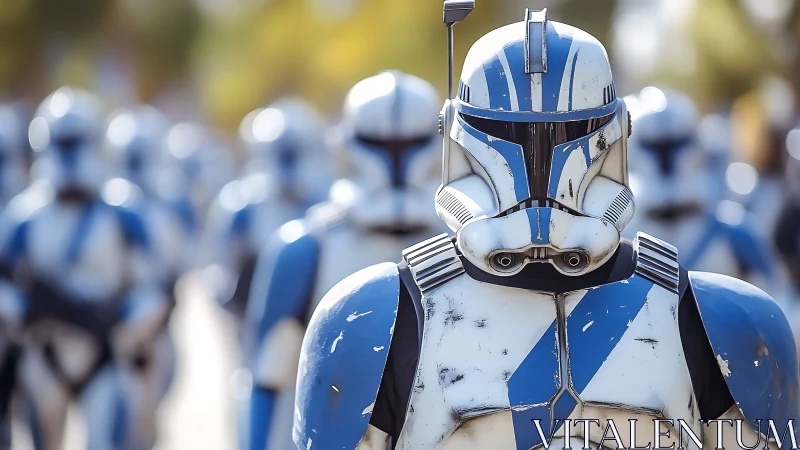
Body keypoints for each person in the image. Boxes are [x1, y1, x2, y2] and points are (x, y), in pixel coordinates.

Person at [291, 6, 797, 449]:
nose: (539, 169)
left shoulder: (719, 319)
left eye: (565, 137)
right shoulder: (377, 318)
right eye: (512, 138)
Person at [243, 72, 443, 450]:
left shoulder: (467, 240)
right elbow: (267, 377)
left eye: (409, 146)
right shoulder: (308, 247)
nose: (396, 161)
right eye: (381, 145)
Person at [0, 87, 172, 450]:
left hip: (106, 353)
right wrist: (27, 310)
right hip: (45, 353)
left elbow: (152, 288)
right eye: (61, 142)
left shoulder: (122, 211)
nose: (68, 152)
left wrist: (121, 324)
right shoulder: (22, 217)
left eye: (76, 142)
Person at [626, 87, 776, 287]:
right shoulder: (616, 243)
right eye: (656, 146)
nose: (667, 156)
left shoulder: (734, 232)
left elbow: (777, 302)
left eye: (675, 144)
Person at [200, 98, 331, 319]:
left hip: (315, 310)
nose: (289, 162)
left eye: (296, 151)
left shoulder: (327, 202)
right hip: (253, 312)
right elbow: (218, 270)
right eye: (283, 153)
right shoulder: (241, 203)